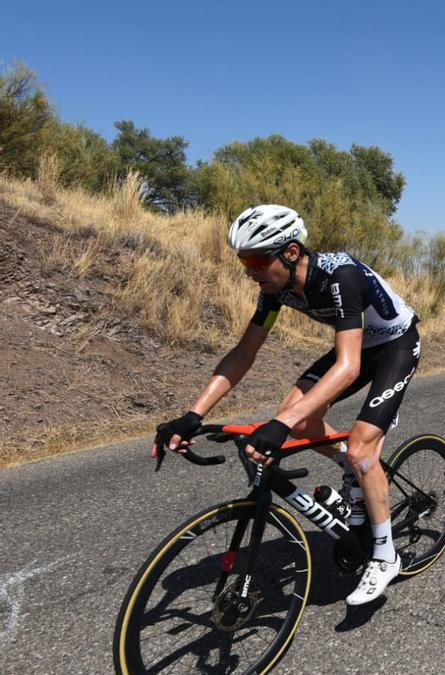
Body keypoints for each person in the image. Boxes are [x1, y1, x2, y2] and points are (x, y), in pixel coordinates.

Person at [152, 204, 422, 606]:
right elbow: (244, 352)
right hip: (359, 345)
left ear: (291, 252)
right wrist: (194, 414)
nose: (250, 271)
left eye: (258, 260)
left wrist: (279, 423)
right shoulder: (274, 290)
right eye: (244, 262)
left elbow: (348, 368)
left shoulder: (339, 276)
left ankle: (385, 556)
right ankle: (353, 472)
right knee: (298, 421)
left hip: (396, 345)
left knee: (363, 449)